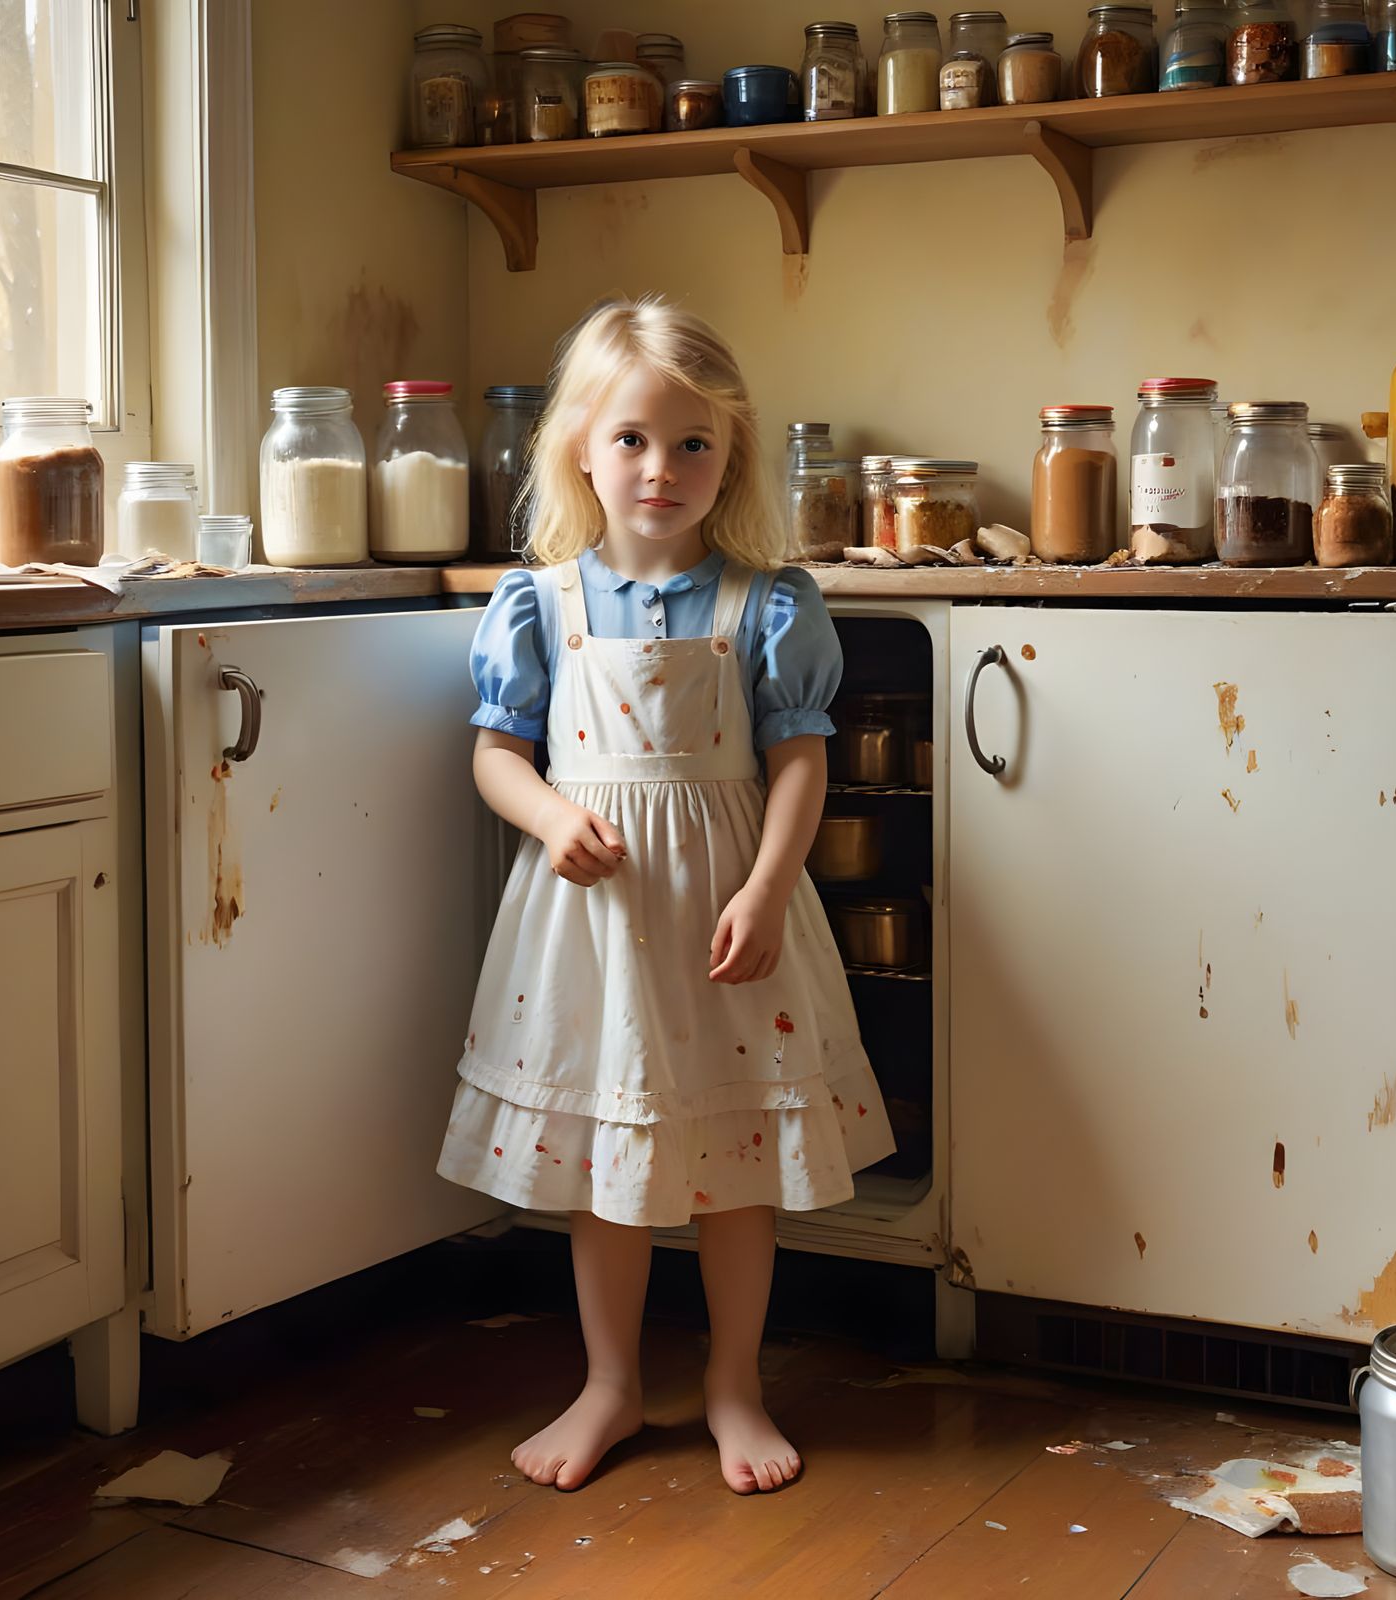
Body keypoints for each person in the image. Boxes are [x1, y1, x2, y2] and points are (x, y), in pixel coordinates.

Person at [436, 296, 895, 1495]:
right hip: (594, 931)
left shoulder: (769, 599)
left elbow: (801, 757)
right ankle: (611, 1384)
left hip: (729, 919)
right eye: (634, 438)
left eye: (693, 442)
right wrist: (548, 816)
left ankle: (734, 1383)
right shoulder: (538, 602)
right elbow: (496, 754)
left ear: (730, 452)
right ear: (582, 445)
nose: (662, 466)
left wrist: (768, 881)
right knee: (611, 1171)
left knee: (737, 1164)